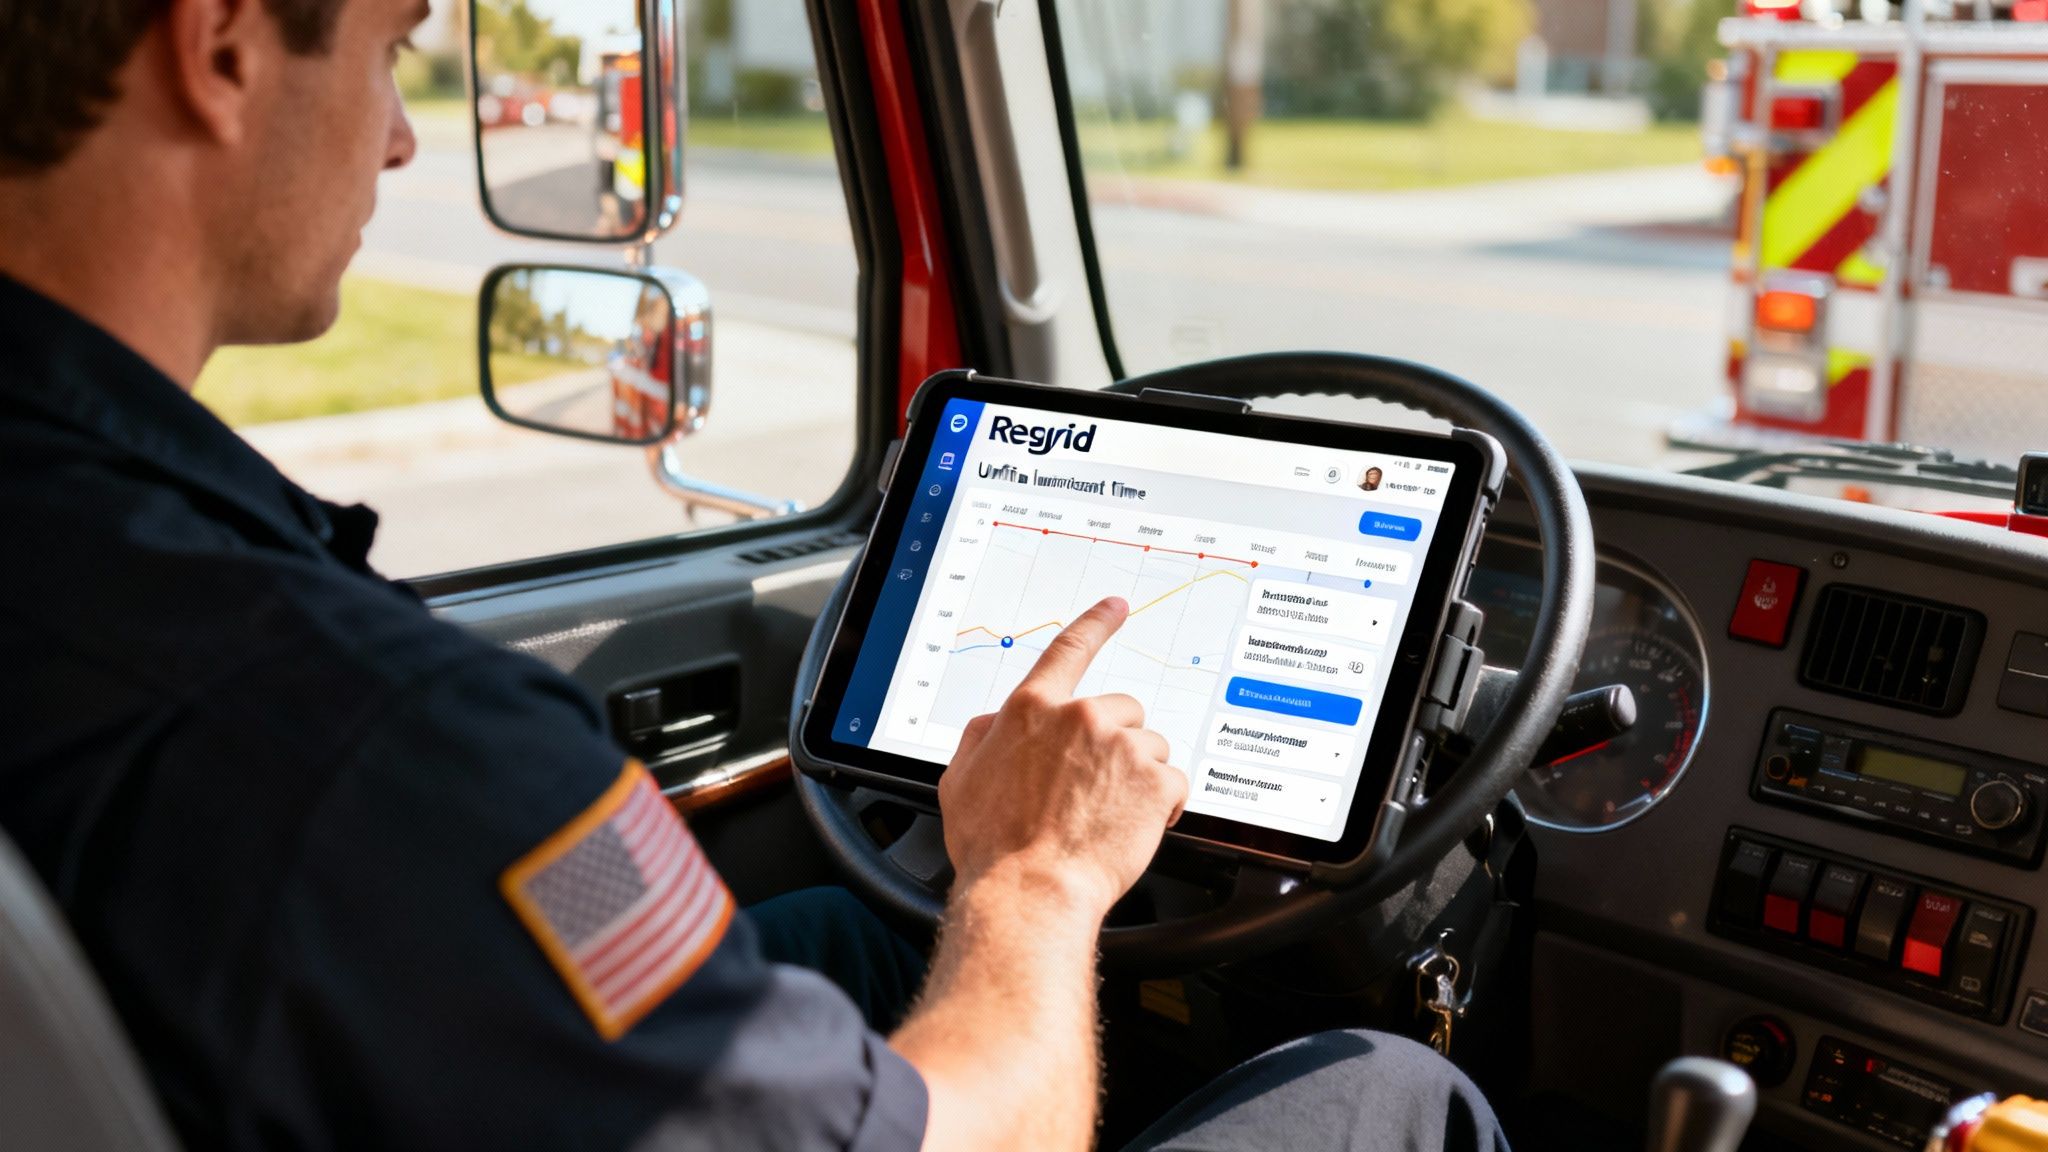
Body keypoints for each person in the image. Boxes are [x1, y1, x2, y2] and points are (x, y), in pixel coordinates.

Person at [0, 1, 1510, 1150]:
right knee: (1395, 1088)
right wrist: (1041, 876)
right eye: (396, 50)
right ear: (221, 48)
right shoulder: (382, 735)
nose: (400, 135)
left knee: (874, 935)